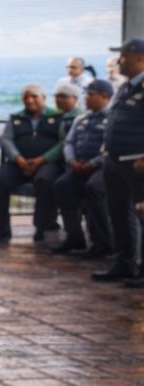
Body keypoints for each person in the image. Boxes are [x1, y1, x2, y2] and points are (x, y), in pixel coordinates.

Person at [0, 83, 64, 242]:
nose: (29, 100)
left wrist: (42, 159)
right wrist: (18, 158)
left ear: (43, 98)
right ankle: (2, 228)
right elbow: (6, 139)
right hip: (18, 162)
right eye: (26, 97)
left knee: (44, 181)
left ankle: (41, 227)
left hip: (46, 163)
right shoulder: (16, 117)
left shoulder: (57, 117)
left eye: (34, 96)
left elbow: (62, 143)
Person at [95, 38, 144, 284]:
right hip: (115, 160)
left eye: (123, 56)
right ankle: (124, 263)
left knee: (142, 214)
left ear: (139, 58)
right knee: (118, 213)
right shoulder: (125, 87)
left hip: (137, 163)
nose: (118, 61)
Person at [54, 78, 115, 259]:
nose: (86, 98)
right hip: (79, 165)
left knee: (93, 188)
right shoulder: (82, 117)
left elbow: (111, 147)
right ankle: (75, 237)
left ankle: (103, 243)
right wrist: (72, 160)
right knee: (61, 186)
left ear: (105, 96)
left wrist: (93, 163)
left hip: (101, 167)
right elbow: (69, 142)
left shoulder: (113, 118)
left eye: (90, 95)